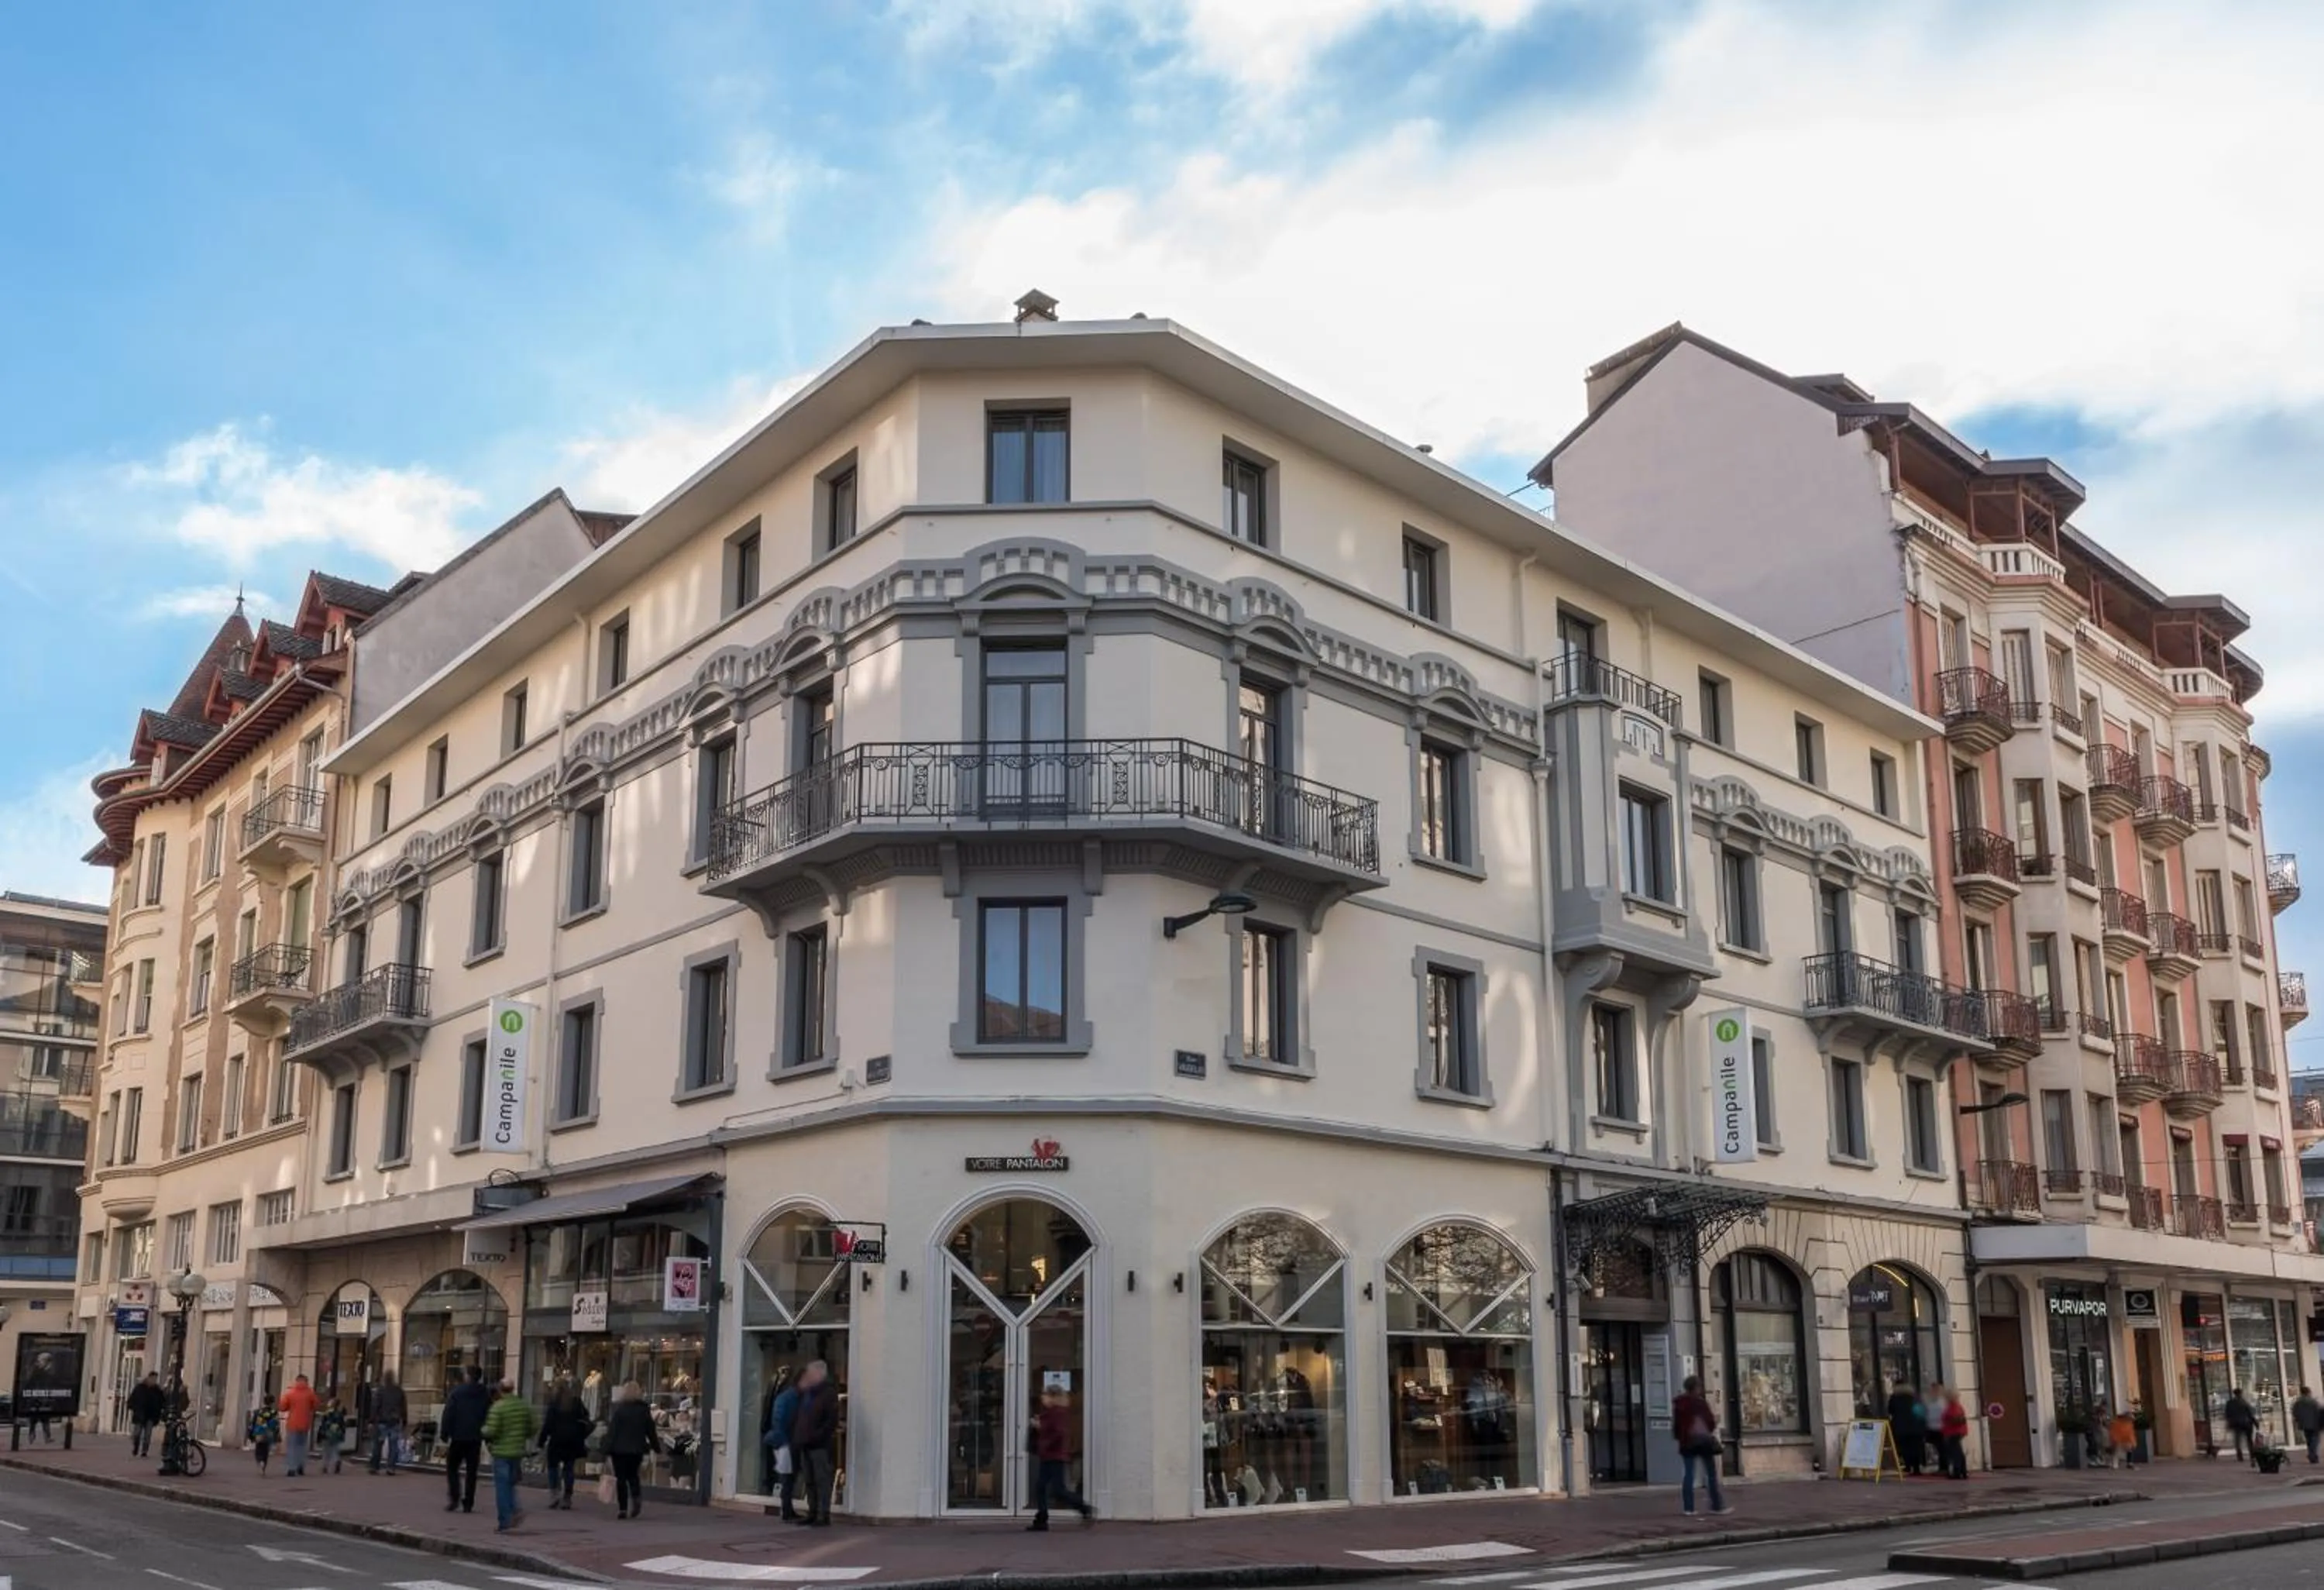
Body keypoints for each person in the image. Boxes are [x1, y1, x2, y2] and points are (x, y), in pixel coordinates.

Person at [1024, 1386, 1093, 1531]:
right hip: (1049, 1455)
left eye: (1045, 1395)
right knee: (1041, 1487)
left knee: (1058, 1490)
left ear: (1052, 1397)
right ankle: (1041, 1519)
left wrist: (1040, 1429)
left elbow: (1058, 1434)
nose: (1042, 1398)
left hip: (1055, 1456)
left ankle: (1085, 1508)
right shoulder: (1051, 1413)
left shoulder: (1058, 1413)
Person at [482, 1379, 538, 1533]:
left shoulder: (498, 1407)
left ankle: (505, 1521)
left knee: (502, 1487)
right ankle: (515, 1510)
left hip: (501, 1452)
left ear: (500, 1390)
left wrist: (483, 1430)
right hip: (517, 1452)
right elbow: (534, 1426)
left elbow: (491, 1431)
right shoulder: (523, 1406)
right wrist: (523, 1435)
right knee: (510, 1484)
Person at [790, 1361, 839, 1528]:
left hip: (820, 1445)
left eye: (811, 1373)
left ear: (820, 1374)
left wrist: (818, 1436)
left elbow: (831, 1420)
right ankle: (812, 1511)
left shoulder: (828, 1393)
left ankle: (823, 1514)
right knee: (809, 1480)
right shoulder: (807, 1393)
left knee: (822, 1479)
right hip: (805, 1443)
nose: (808, 1376)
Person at [1672, 1374, 1728, 1516]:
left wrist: (1680, 1437)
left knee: (1689, 1475)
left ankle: (1689, 1508)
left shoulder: (1679, 1403)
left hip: (1686, 1442)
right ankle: (1716, 1506)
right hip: (1703, 1442)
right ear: (1696, 1388)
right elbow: (1710, 1423)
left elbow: (1677, 1426)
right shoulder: (1700, 1403)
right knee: (1710, 1474)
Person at [606, 1379, 662, 1520]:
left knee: (621, 1479)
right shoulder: (643, 1410)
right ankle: (636, 1499)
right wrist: (656, 1447)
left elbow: (612, 1431)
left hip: (618, 1450)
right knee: (633, 1476)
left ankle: (623, 1508)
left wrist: (606, 1449)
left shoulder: (619, 1410)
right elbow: (650, 1431)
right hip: (636, 1449)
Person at [439, 1366, 492, 1513]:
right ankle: (468, 1502)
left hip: (458, 1436)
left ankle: (454, 1498)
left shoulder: (457, 1392)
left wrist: (445, 1432)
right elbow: (489, 1415)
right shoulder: (484, 1394)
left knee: (452, 1468)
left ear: (468, 1376)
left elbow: (449, 1412)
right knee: (472, 1471)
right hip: (475, 1437)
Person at [538, 1380, 591, 1509]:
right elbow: (586, 1417)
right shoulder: (576, 1402)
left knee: (552, 1467)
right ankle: (567, 1497)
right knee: (568, 1468)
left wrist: (541, 1440)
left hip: (557, 1440)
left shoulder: (554, 1404)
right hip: (573, 1440)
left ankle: (554, 1493)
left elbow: (548, 1424)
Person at [765, 1368, 802, 1520]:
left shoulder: (788, 1397)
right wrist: (784, 1441)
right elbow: (779, 1420)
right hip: (785, 1442)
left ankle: (787, 1509)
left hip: (787, 1441)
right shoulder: (788, 1398)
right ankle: (786, 1510)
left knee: (788, 1477)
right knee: (787, 1477)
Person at [279, 1374, 319, 1477]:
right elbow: (316, 1405)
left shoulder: (290, 1393)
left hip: (292, 1423)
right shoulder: (310, 1393)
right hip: (305, 1423)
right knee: (302, 1446)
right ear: (306, 1381)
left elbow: (283, 1407)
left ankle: (291, 1468)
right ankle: (300, 1466)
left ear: (296, 1381)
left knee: (292, 1447)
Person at [369, 1372, 409, 1475]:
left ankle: (374, 1466)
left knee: (378, 1445)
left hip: (382, 1421)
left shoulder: (380, 1391)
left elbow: (375, 1406)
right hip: (394, 1421)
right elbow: (403, 1407)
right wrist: (404, 1420)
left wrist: (372, 1420)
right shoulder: (399, 1391)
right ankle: (391, 1467)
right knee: (393, 1446)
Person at [1885, 1378, 1927, 1476]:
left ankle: (1908, 1466)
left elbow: (1890, 1411)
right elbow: (1920, 1412)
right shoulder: (1915, 1397)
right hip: (1916, 1426)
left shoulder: (1894, 1398)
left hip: (1901, 1427)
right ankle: (1916, 1468)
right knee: (1916, 1447)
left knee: (1905, 1447)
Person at [1933, 1383, 1969, 1480]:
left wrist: (1946, 1422)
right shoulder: (1957, 1405)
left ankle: (1957, 1472)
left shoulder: (1952, 1407)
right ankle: (1963, 1471)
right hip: (1957, 1431)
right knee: (1958, 1452)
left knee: (1955, 1452)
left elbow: (1953, 1419)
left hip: (1953, 1432)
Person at [127, 1372, 167, 1459]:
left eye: (155, 1379)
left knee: (147, 1435)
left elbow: (162, 1401)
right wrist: (133, 1407)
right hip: (140, 1414)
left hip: (151, 1416)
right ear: (148, 1378)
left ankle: (145, 1451)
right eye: (152, 1379)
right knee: (137, 1434)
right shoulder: (140, 1388)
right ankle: (136, 1447)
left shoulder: (157, 1390)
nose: (154, 1381)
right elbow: (132, 1399)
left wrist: (160, 1411)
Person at [2225, 1387, 2257, 1464]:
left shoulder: (2230, 1403)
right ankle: (2252, 1455)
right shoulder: (2244, 1402)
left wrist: (2229, 1423)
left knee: (2238, 1440)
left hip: (2236, 1424)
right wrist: (2255, 1422)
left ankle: (2240, 1455)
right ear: (2241, 1394)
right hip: (2247, 1423)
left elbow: (2227, 1414)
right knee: (2249, 1440)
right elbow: (2250, 1414)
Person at [248, 1399, 280, 1472]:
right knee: (266, 1449)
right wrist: (276, 1435)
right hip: (269, 1433)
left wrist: (251, 1434)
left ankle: (260, 1460)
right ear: (272, 1403)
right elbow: (276, 1425)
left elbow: (252, 1423)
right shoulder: (274, 1412)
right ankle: (264, 1463)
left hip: (259, 1432)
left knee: (259, 1448)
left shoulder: (258, 1412)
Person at [317, 1400, 349, 1475]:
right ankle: (337, 1460)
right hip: (337, 1434)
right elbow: (342, 1426)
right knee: (335, 1449)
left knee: (326, 1452)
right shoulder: (340, 1414)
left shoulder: (327, 1414)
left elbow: (323, 1426)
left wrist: (320, 1436)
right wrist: (342, 1435)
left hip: (327, 1434)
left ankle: (325, 1466)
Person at [2294, 1386, 2323, 1464]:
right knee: (2315, 1440)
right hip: (2315, 1424)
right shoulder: (2313, 1402)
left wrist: (2298, 1420)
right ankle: (2313, 1455)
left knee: (2309, 1440)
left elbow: (2295, 1413)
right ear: (2308, 1392)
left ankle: (2312, 1455)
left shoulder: (2298, 1402)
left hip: (2304, 1424)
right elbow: (2319, 1412)